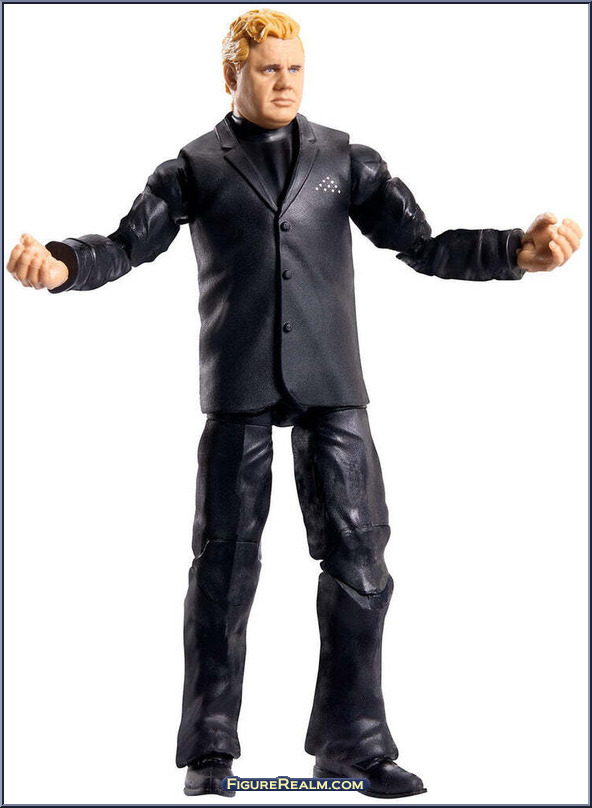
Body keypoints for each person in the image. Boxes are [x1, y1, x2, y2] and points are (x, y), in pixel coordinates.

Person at [6, 8, 582, 801]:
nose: (285, 83)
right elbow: (128, 243)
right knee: (223, 568)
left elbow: (423, 243)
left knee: (362, 565)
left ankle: (354, 742)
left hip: (332, 381)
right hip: (239, 382)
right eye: (268, 69)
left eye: (295, 68)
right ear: (232, 75)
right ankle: (210, 748)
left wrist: (515, 250)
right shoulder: (193, 168)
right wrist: (63, 265)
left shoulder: (346, 159)